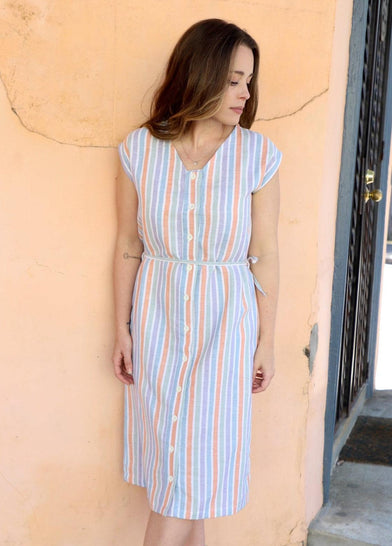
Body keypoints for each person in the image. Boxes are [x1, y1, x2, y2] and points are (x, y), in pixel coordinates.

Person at [112, 18, 282, 546]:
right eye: (232, 80)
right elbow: (128, 244)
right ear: (200, 74)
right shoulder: (139, 150)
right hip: (157, 321)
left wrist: (266, 341)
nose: (245, 93)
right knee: (180, 466)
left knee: (193, 466)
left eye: (248, 81)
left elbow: (266, 254)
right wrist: (121, 328)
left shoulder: (258, 156)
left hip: (226, 324)